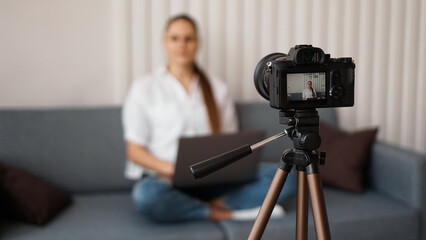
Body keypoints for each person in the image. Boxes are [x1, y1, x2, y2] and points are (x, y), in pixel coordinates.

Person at [122, 14, 296, 222]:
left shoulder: (217, 88)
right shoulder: (144, 88)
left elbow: (229, 143)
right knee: (146, 195)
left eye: (189, 39)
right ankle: (228, 214)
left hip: (213, 179)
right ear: (165, 43)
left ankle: (202, 206)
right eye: (175, 38)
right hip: (166, 181)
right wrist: (177, 171)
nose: (182, 45)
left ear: (197, 43)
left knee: (288, 177)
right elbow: (135, 152)